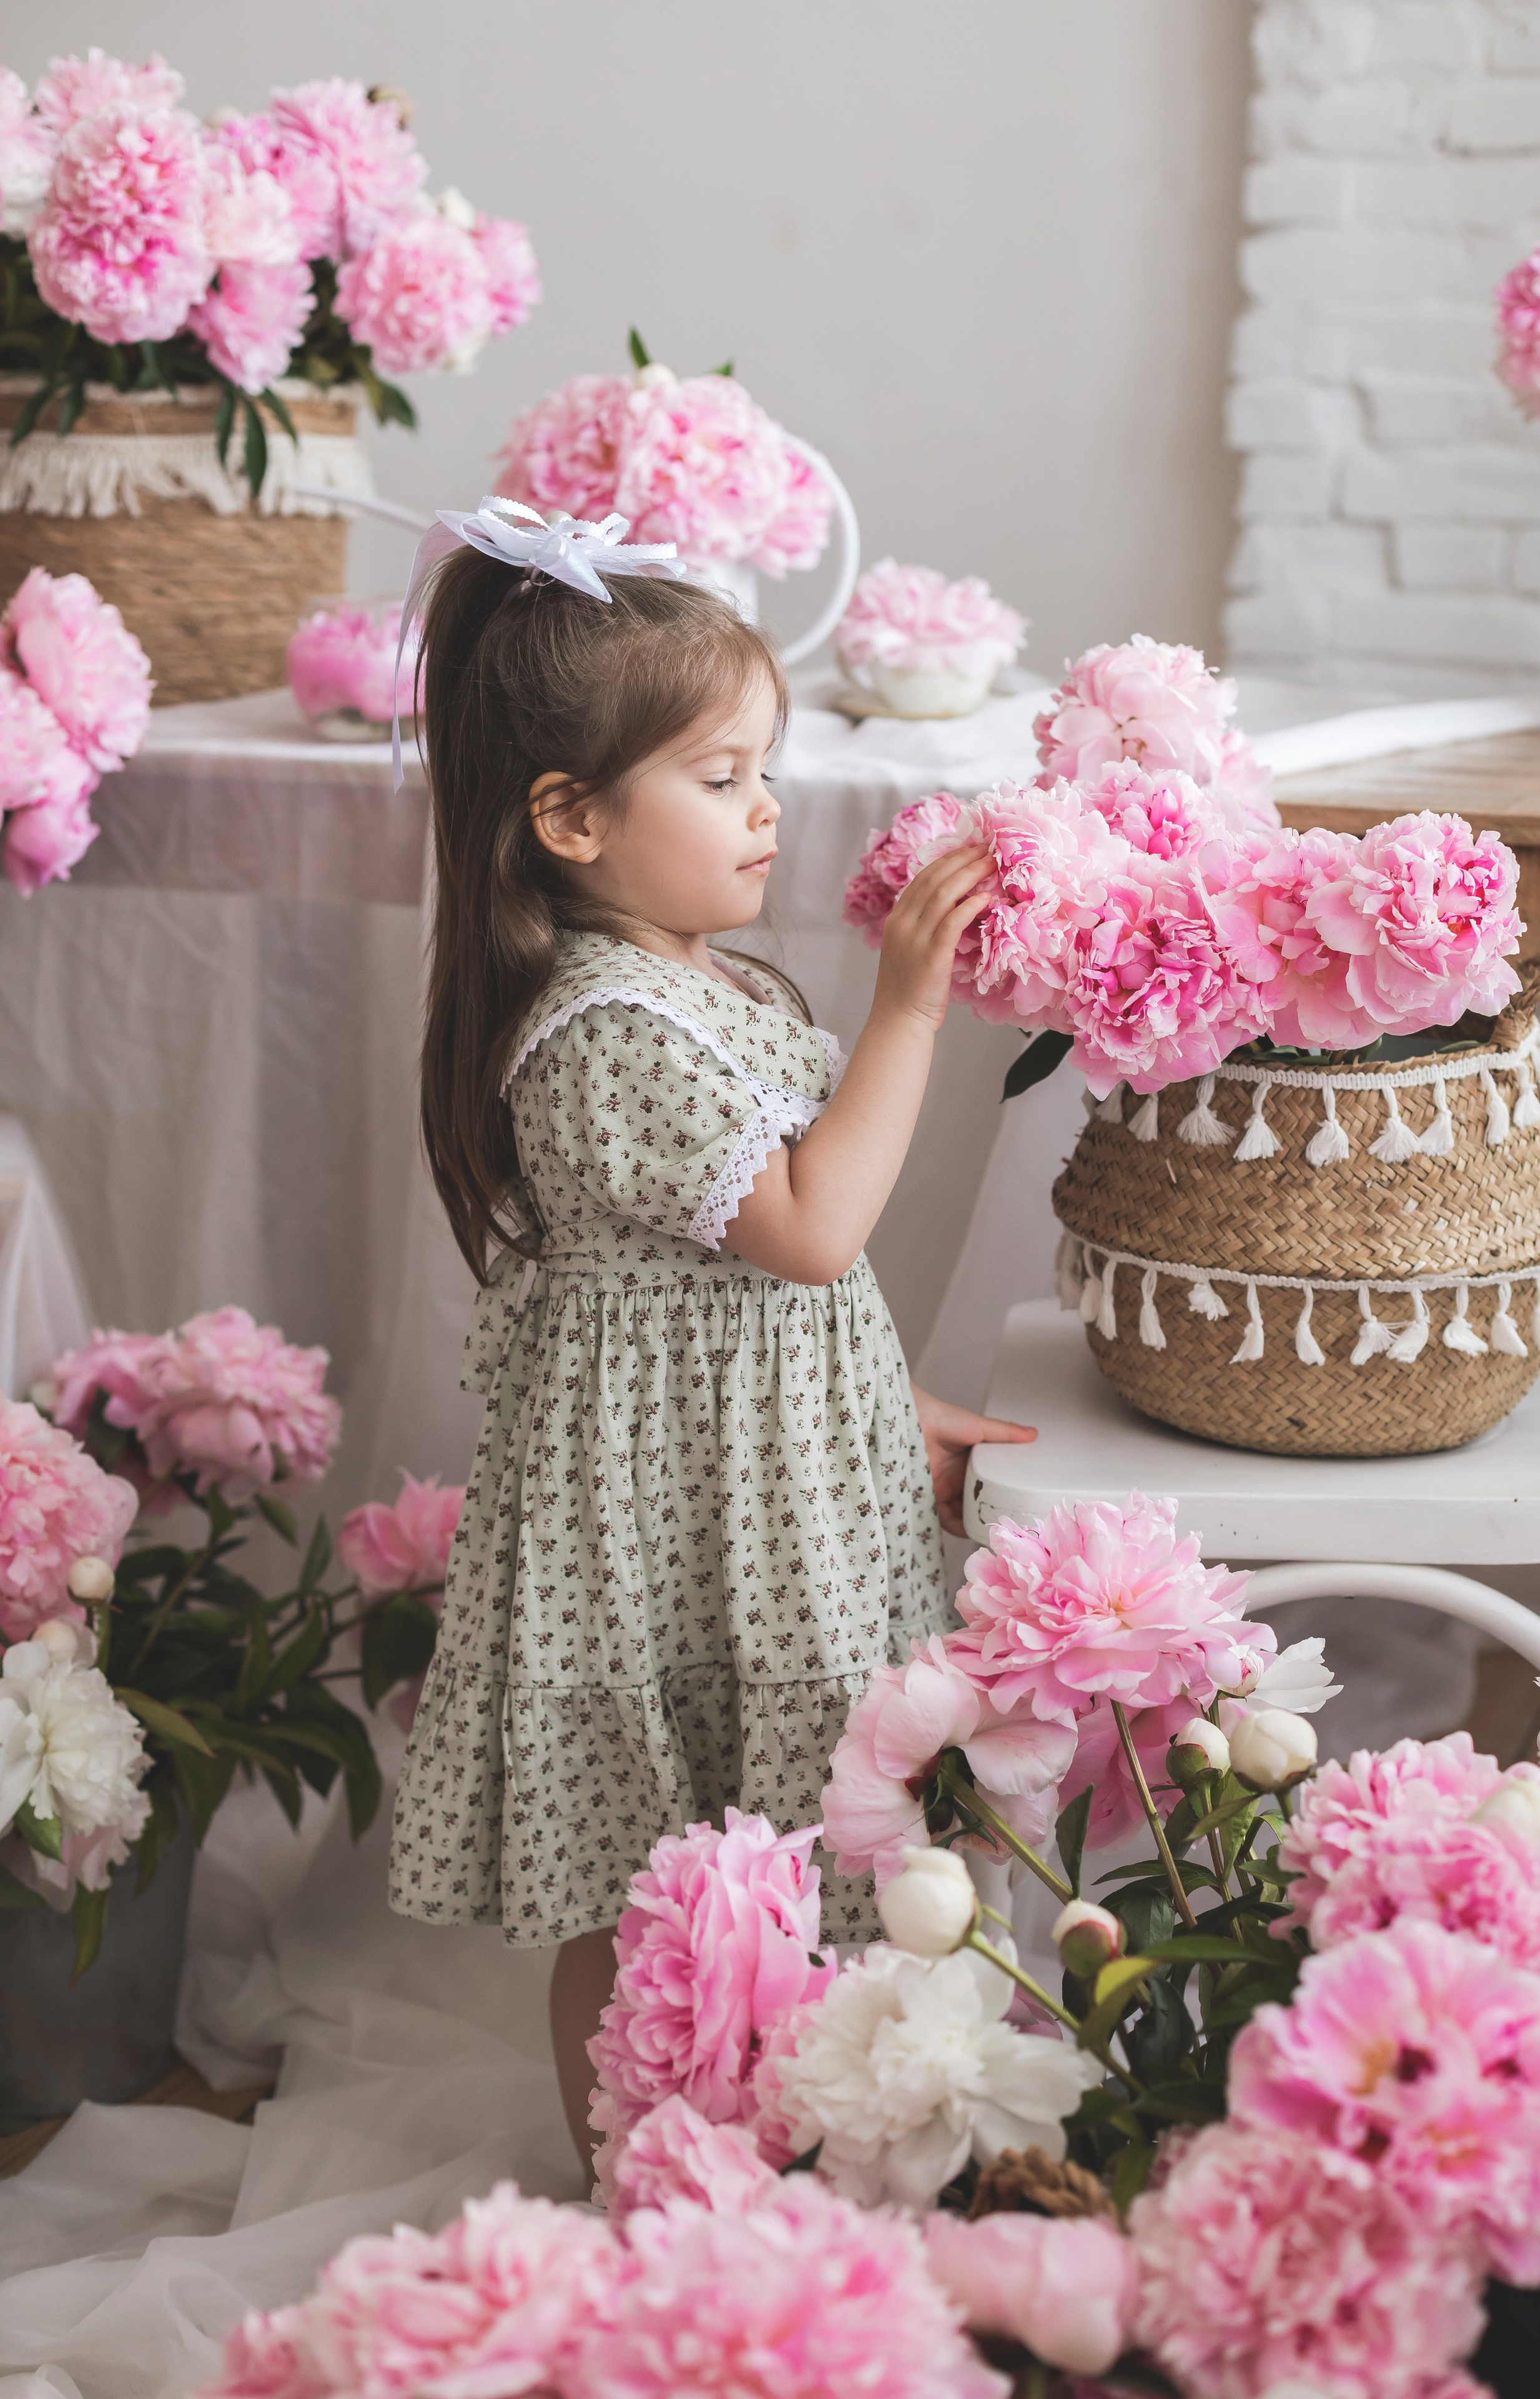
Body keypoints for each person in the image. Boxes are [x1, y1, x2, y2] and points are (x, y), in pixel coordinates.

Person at [387, 500, 1035, 2162]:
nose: (767, 810)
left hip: (772, 1498)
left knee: (807, 1854)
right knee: (651, 1883)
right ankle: (639, 2163)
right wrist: (906, 1008)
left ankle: (804, 2150)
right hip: (663, 1533)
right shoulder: (610, 1024)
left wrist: (893, 1407)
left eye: (767, 766)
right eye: (722, 774)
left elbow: (750, 1292)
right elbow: (815, 1232)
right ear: (570, 817)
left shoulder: (711, 986)